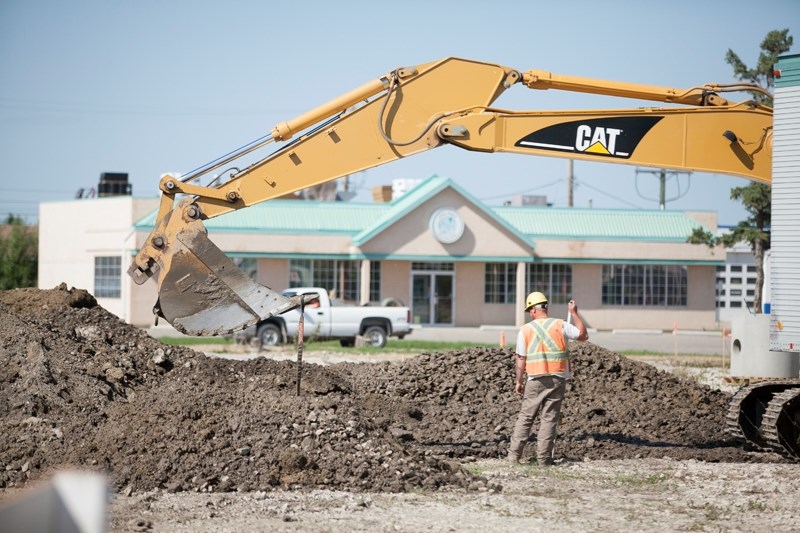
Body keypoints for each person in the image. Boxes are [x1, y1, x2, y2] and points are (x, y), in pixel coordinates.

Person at [507, 291, 589, 465]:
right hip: (557, 378)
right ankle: (544, 460)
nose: (530, 313)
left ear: (534, 310)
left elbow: (520, 358)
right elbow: (583, 336)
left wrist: (518, 381)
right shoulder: (560, 324)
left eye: (530, 310)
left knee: (526, 417)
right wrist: (574, 313)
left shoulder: (526, 329)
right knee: (549, 419)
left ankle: (514, 457)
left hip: (535, 379)